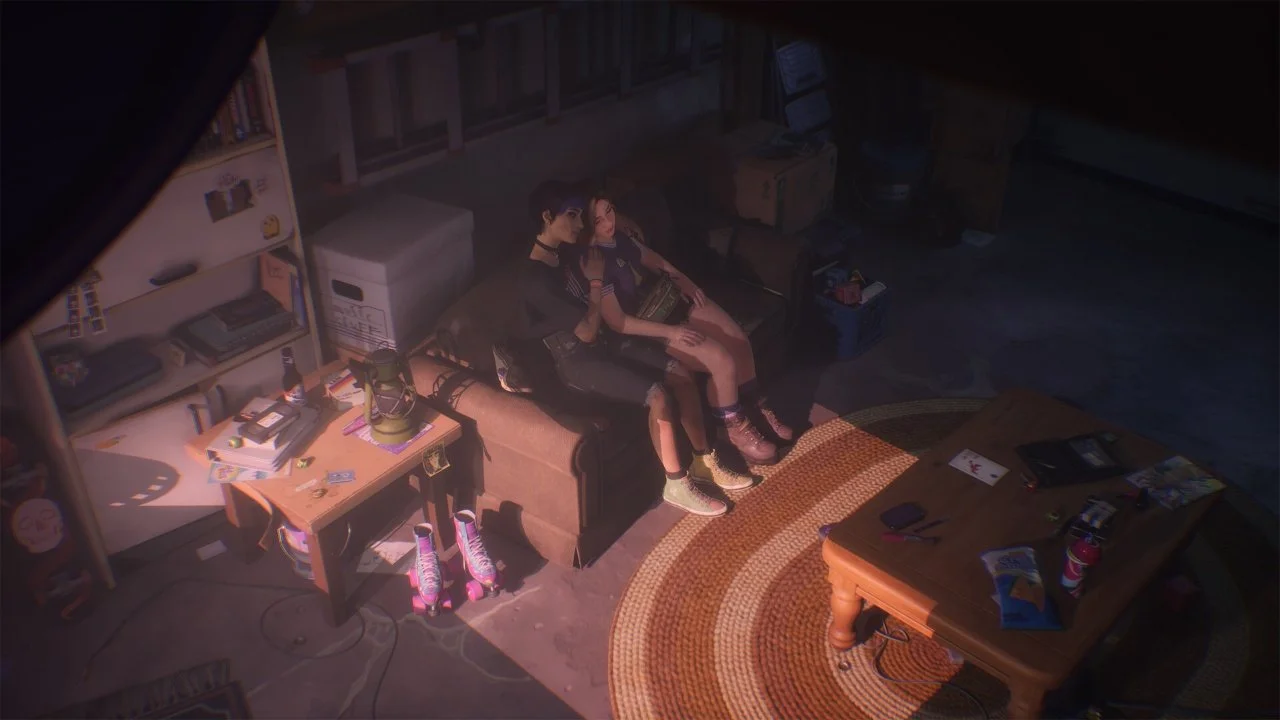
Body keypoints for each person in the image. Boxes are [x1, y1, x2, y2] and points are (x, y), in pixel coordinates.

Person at [512, 181, 755, 517]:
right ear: (546, 217)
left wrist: (618, 224)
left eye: (581, 216)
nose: (580, 224)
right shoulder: (536, 279)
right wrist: (596, 281)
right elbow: (586, 332)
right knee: (658, 395)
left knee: (681, 374)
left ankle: (704, 460)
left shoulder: (563, 251)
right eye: (572, 216)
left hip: (605, 343)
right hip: (576, 358)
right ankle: (677, 484)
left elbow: (605, 228)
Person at [570, 190, 794, 466]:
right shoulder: (592, 261)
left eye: (610, 211)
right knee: (721, 360)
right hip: (650, 326)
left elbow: (657, 262)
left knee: (738, 339)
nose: (609, 222)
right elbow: (618, 322)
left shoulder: (621, 237)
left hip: (667, 299)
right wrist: (673, 332)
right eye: (599, 220)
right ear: (586, 225)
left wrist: (687, 284)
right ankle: (733, 427)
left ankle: (755, 406)